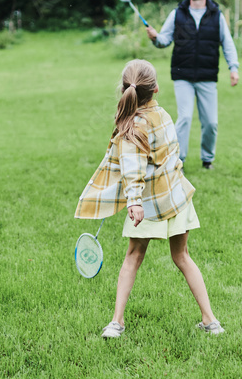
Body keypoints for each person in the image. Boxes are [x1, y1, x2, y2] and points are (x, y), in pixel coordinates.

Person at [75, 59, 224, 339]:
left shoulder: (132, 128)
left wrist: (133, 202)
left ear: (124, 89)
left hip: (148, 205)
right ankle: (211, 321)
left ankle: (116, 323)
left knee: (133, 256)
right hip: (176, 198)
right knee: (182, 256)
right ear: (155, 89)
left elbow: (133, 171)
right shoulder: (165, 115)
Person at [146, 0, 239, 170]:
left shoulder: (217, 15)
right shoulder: (177, 14)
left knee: (211, 123)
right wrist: (155, 37)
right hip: (183, 75)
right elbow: (164, 39)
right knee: (185, 118)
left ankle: (207, 160)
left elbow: (228, 44)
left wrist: (234, 68)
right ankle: (179, 160)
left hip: (207, 76)